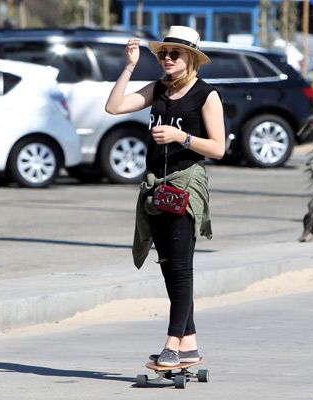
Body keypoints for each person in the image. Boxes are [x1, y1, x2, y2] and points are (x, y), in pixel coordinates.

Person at [105, 26, 225, 367]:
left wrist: (180, 136)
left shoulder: (206, 95)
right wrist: (129, 67)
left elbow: (218, 148)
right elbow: (114, 108)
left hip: (186, 186)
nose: (167, 59)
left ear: (191, 58)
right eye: (163, 54)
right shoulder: (158, 89)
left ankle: (173, 344)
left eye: (175, 54)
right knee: (169, 266)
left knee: (182, 268)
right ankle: (189, 344)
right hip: (157, 188)